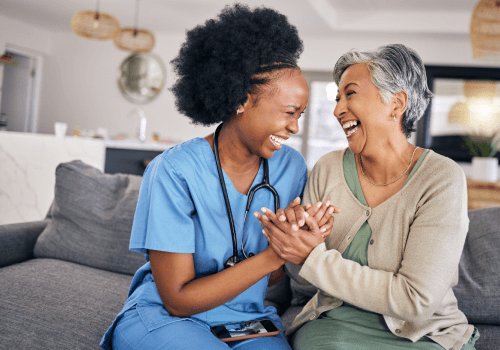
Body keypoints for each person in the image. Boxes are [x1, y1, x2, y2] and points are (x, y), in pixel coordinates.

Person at [100, 4, 337, 350]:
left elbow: (272, 281)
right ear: (241, 99)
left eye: (300, 115)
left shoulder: (291, 168)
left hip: (247, 319)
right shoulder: (173, 171)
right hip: (170, 317)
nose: (294, 127)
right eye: (289, 113)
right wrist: (275, 253)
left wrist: (295, 240)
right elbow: (177, 300)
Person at [256, 44, 480, 350]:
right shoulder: (328, 169)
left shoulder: (440, 178)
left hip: (423, 335)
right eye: (337, 98)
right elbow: (306, 287)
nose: (337, 109)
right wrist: (294, 242)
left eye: (350, 94)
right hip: (334, 326)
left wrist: (312, 256)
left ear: (396, 103)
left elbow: (416, 301)